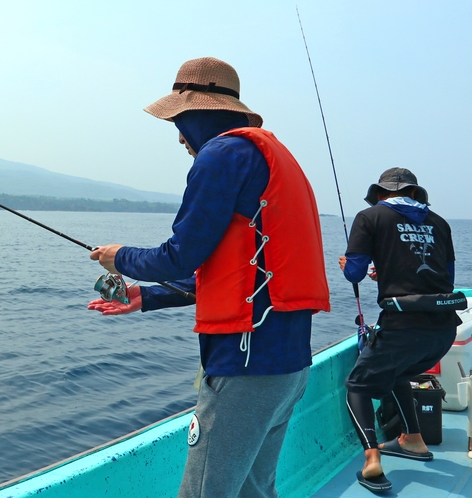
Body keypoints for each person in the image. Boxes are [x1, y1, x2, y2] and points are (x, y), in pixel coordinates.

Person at [87, 57, 330, 498]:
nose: (179, 135)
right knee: (256, 491)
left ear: (199, 111)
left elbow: (180, 255)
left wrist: (119, 257)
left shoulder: (222, 154)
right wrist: (147, 297)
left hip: (245, 363)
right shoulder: (272, 158)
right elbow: (239, 273)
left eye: (180, 119)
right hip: (290, 365)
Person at [339, 168, 460, 493]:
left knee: (358, 386)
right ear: (415, 195)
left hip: (404, 327)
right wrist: (389, 274)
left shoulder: (370, 217)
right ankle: (414, 441)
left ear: (381, 194)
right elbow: (443, 279)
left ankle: (372, 459)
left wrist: (350, 266)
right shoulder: (440, 223)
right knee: (398, 373)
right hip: (444, 329)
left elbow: (353, 272)